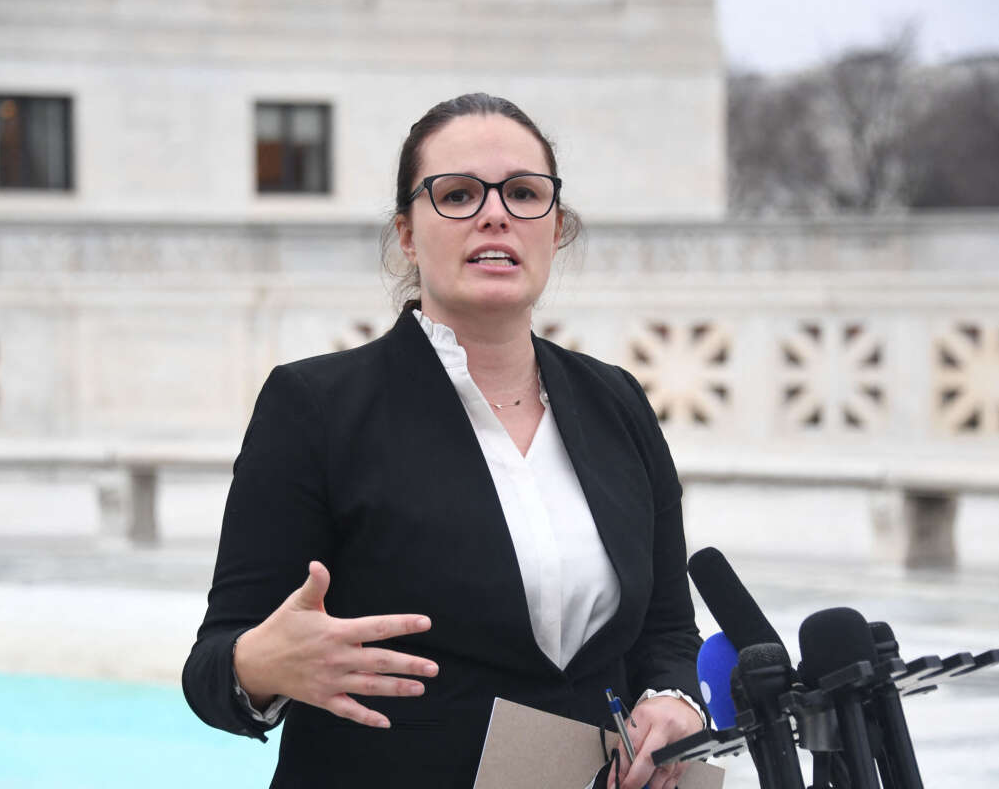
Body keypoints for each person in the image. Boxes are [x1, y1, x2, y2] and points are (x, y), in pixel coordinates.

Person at [183, 93, 707, 788]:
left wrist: (673, 700)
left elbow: (666, 631)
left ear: (556, 228)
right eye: (457, 194)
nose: (496, 213)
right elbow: (211, 669)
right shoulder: (314, 407)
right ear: (406, 232)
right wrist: (258, 666)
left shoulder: (617, 401)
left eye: (524, 193)